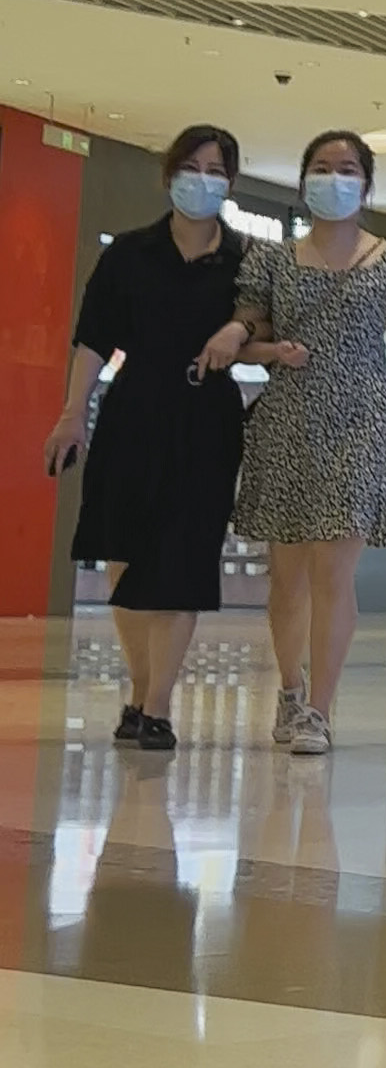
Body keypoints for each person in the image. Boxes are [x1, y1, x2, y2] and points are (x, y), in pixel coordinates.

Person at [43, 123, 286, 754]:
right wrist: (73, 414)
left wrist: (245, 336)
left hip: (206, 416)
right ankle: (139, 690)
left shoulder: (248, 260)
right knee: (125, 553)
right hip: (134, 411)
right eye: (192, 167)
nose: (202, 180)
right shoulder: (129, 253)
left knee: (183, 557)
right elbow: (94, 338)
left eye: (216, 171)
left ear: (230, 183)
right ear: (169, 174)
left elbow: (263, 327)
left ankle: (156, 706)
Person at [200, 129, 386, 755]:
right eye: (323, 167)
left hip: (362, 421)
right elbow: (251, 328)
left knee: (334, 569)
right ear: (305, 181)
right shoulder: (272, 260)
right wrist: (253, 343)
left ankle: (320, 710)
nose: (335, 178)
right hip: (288, 420)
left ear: (367, 184)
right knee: (288, 575)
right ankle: (290, 686)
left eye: (348, 168)